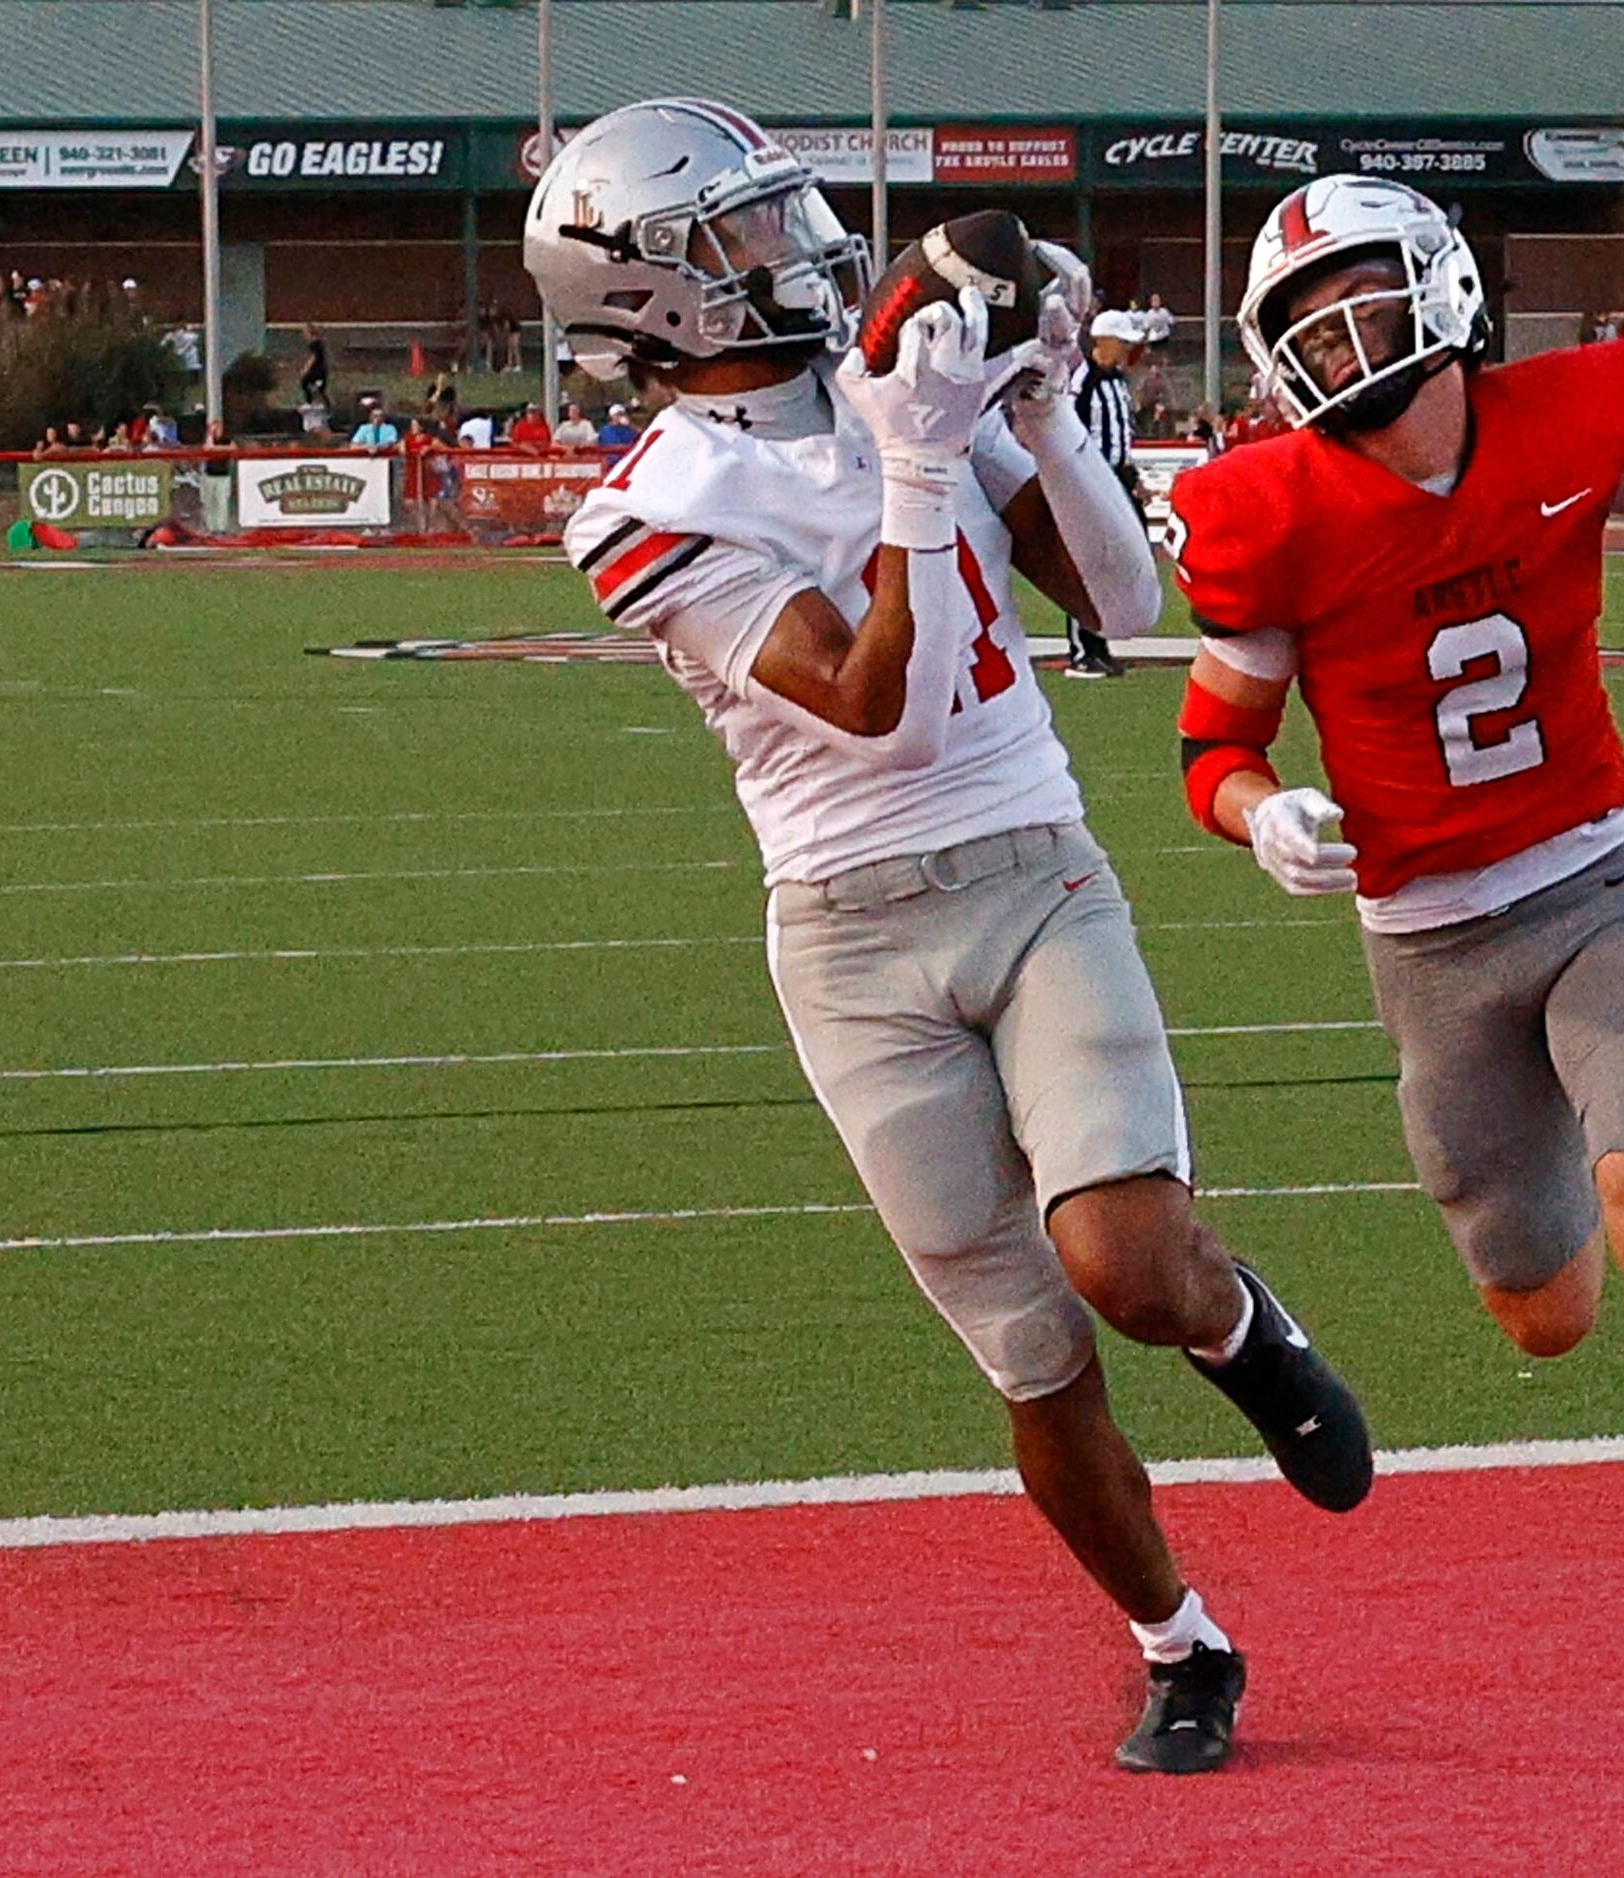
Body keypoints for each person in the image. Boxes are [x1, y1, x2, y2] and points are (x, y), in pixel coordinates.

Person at [526, 96, 1372, 1776]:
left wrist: (1040, 409)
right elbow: (873, 707)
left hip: (1030, 868)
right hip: (849, 943)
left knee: (1126, 1264)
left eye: (783, 214)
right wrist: (917, 455)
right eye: (743, 234)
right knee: (1033, 1352)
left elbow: (1123, 605)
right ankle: (1182, 1646)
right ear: (646, 293)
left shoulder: (886, 376)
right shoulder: (646, 503)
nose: (801, 247)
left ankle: (1235, 1325)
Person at [1165, 174, 1624, 1692]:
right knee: (1543, 1315)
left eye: (1357, 294)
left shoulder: (1581, 408)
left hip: (1603, 872)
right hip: (1430, 941)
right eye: (1302, 318)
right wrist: (1257, 810)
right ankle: (1584, 1214)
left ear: (1434, 284)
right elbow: (1210, 743)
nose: (1337, 336)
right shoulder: (1262, 507)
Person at [1061, 310, 1150, 677]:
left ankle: (1101, 642)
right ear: (1104, 341)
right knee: (1088, 565)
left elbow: (1122, 434)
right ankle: (1084, 649)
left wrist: (1132, 476)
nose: (1128, 350)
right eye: (1123, 342)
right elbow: (1066, 428)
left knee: (1123, 561)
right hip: (1092, 479)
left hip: (1119, 480)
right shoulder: (1084, 379)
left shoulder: (1118, 382)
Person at [299, 325, 330, 410]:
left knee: (305, 382)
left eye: (305, 333)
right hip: (321, 370)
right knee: (319, 388)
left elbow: (314, 357)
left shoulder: (314, 344)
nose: (304, 336)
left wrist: (306, 368)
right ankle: (323, 404)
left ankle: (310, 402)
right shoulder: (319, 343)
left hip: (317, 370)